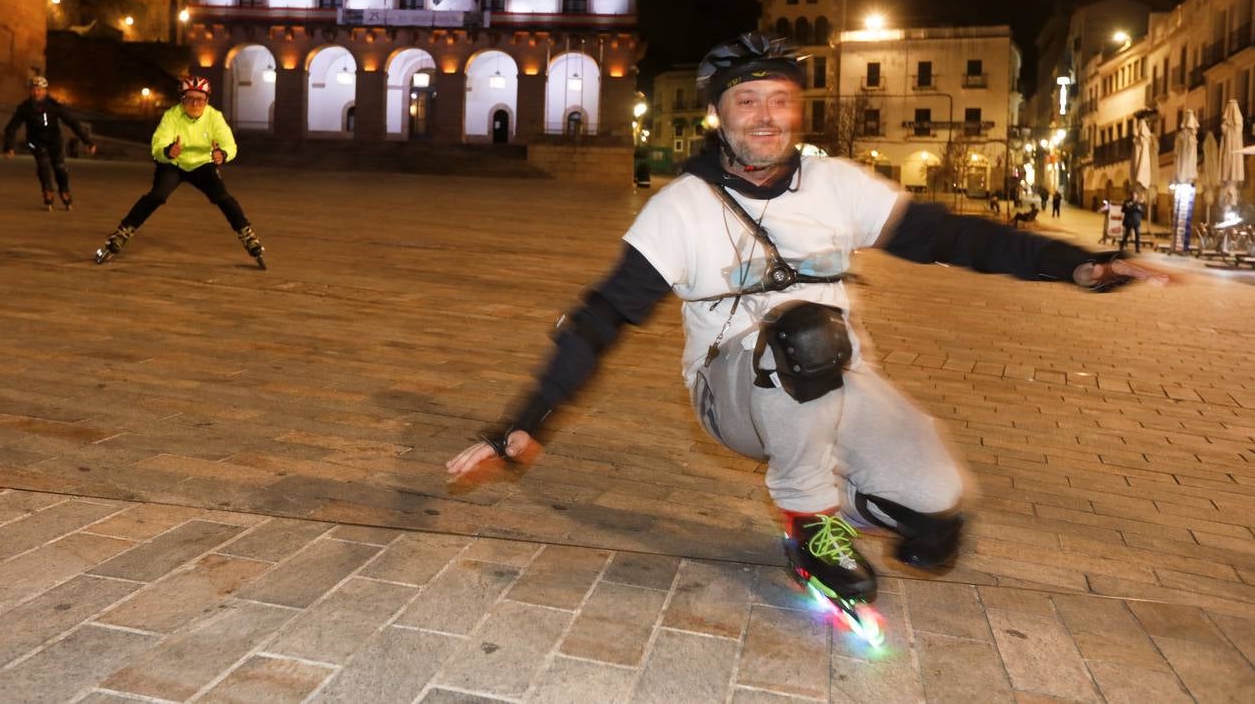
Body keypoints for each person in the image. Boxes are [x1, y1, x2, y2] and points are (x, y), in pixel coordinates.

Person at [445, 33, 1169, 614]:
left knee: (935, 508)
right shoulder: (681, 207)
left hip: (837, 375)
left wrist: (1076, 265)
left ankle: (840, 505)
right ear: (718, 114)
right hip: (730, 389)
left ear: (797, 111)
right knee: (804, 331)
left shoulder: (836, 184)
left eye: (779, 101)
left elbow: (953, 236)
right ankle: (809, 521)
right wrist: (528, 420)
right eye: (746, 100)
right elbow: (602, 315)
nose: (764, 116)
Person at [94, 76, 266, 268]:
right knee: (157, 195)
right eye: (189, 99)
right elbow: (157, 144)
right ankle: (122, 232)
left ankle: (247, 235)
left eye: (199, 99)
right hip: (173, 164)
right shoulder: (172, 116)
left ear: (207, 100)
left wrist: (223, 154)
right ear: (181, 99)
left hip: (202, 164)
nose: (195, 104)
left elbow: (230, 144)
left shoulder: (214, 117)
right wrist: (167, 151)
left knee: (223, 197)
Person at [3, 76, 96, 210]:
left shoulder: (54, 105)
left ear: (45, 91)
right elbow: (11, 127)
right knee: (43, 162)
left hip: (54, 139)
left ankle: (64, 190)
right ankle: (47, 190)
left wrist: (88, 142)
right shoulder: (24, 107)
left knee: (59, 166)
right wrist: (9, 147)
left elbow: (72, 122)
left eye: (39, 90)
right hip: (34, 141)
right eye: (34, 90)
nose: (36, 93)